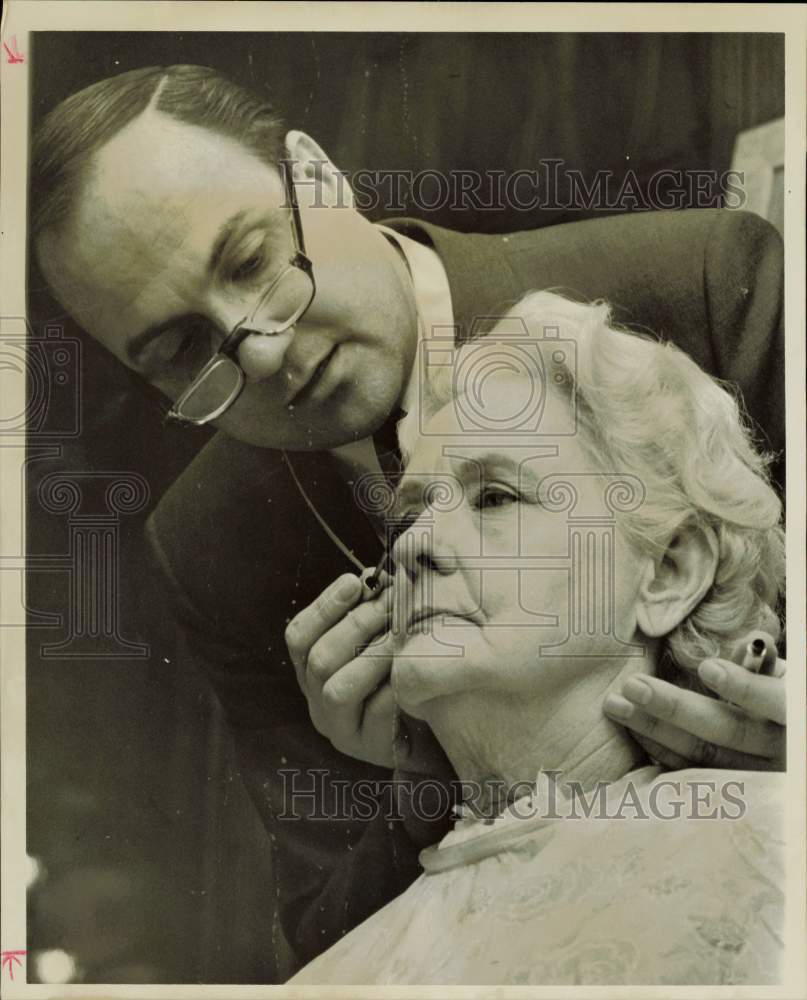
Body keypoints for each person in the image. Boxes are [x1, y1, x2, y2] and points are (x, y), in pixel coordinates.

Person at [30, 64, 786, 966]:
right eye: (186, 348)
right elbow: (324, 933)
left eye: (250, 263)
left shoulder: (702, 279)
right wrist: (410, 782)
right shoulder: (211, 544)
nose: (263, 355)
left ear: (316, 174)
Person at [290, 291, 786, 985]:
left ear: (669, 572)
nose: (416, 545)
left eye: (494, 497)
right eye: (406, 521)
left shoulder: (780, 861)